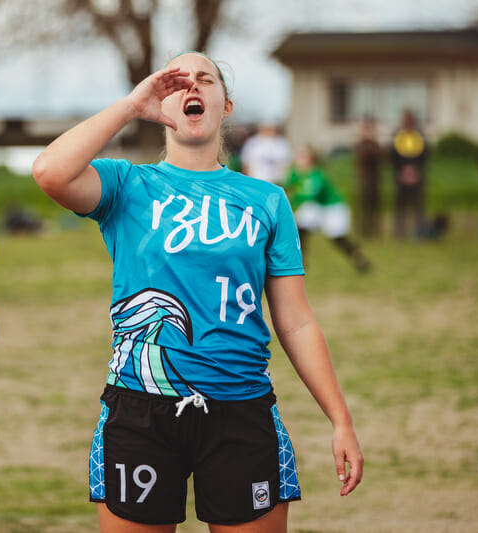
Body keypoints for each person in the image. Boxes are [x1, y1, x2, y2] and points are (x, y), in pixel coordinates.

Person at [32, 52, 363, 532]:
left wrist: (340, 420)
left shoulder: (266, 200)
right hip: (140, 407)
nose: (192, 88)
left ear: (225, 105)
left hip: (241, 408)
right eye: (176, 82)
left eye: (205, 80)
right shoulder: (128, 185)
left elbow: (296, 320)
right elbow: (49, 172)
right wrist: (130, 106)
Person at [285, 146, 371, 273]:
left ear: (311, 159)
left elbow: (307, 196)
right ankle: (301, 258)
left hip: (332, 207)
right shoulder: (296, 173)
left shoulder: (317, 175)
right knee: (301, 226)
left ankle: (356, 256)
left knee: (336, 237)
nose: (299, 159)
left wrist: (288, 207)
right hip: (316, 206)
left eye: (303, 156)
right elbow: (285, 186)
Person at [390, 109, 428, 240]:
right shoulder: (398, 137)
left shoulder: (419, 137)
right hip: (401, 178)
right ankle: (399, 233)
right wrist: (402, 171)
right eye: (405, 120)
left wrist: (415, 170)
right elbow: (393, 157)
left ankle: (419, 233)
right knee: (400, 207)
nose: (407, 123)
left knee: (418, 207)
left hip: (417, 178)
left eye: (409, 120)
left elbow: (424, 156)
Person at [354, 116, 383, 238]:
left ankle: (374, 228)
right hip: (364, 179)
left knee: (374, 205)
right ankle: (363, 228)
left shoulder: (374, 144)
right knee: (363, 205)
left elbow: (379, 158)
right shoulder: (360, 145)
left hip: (375, 179)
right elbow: (362, 158)